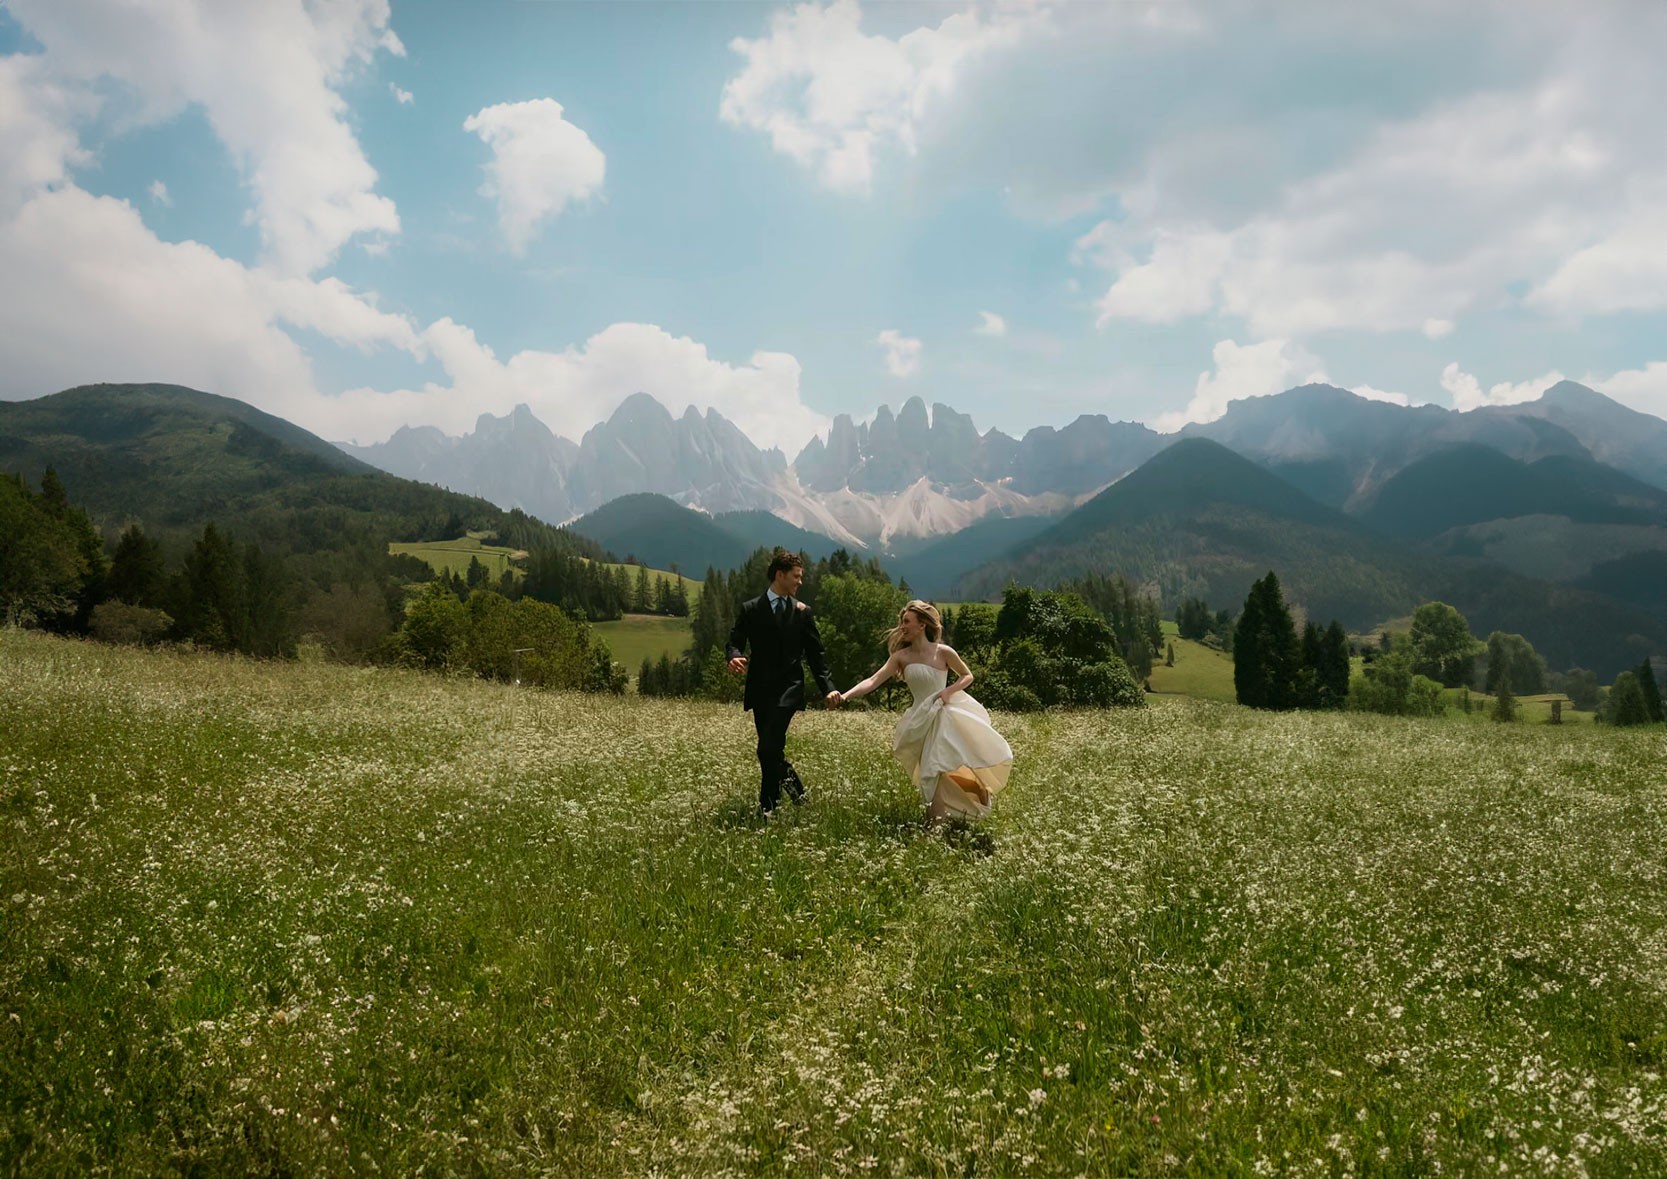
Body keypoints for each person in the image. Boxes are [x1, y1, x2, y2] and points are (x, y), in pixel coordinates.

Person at [835, 600, 1012, 824]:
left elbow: (967, 675)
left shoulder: (944, 652)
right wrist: (844, 696)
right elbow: (872, 681)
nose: (902, 626)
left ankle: (937, 825)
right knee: (936, 772)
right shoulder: (901, 657)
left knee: (934, 768)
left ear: (922, 625)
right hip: (920, 720)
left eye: (907, 621)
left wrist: (949, 691)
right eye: (901, 621)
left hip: (944, 717)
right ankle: (950, 813)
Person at [727, 548, 840, 813]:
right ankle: (797, 800)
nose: (800, 582)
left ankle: (767, 808)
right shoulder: (751, 609)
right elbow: (734, 641)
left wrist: (828, 688)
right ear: (780, 575)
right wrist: (733, 656)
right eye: (796, 576)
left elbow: (816, 655)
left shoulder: (803, 613)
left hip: (789, 690)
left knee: (767, 748)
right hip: (759, 690)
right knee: (771, 752)